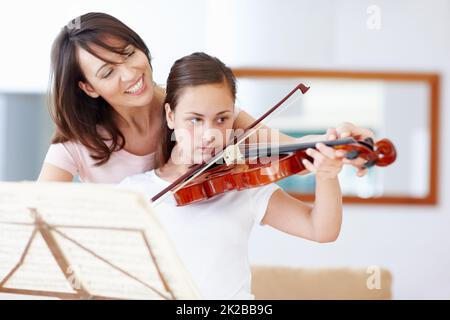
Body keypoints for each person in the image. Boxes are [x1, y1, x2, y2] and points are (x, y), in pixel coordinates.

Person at [38, 12, 373, 183]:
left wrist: (338, 143)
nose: (130, 74)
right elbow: (37, 219)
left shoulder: (195, 108)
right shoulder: (74, 146)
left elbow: (284, 153)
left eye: (128, 54)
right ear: (89, 88)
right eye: (108, 72)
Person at [120, 52, 344, 299]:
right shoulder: (133, 193)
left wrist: (327, 175)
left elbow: (321, 229)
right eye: (195, 119)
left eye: (221, 119)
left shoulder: (241, 184)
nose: (209, 134)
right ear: (171, 116)